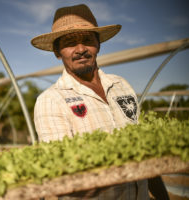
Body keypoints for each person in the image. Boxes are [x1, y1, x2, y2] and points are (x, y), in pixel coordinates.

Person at [31, 4, 149, 199]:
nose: (80, 49)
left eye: (87, 40)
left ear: (98, 44)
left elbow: (147, 150)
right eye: (70, 43)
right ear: (57, 51)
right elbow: (62, 173)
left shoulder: (121, 85)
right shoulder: (51, 100)